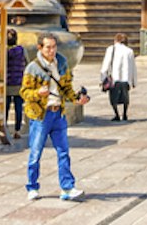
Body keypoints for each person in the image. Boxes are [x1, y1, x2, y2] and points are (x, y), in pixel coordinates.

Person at [20, 33, 88, 201]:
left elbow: (66, 88)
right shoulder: (32, 68)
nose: (52, 50)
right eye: (48, 47)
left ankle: (67, 187)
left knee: (63, 151)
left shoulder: (62, 62)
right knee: (35, 152)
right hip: (41, 115)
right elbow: (24, 92)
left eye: (54, 46)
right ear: (40, 48)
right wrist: (38, 93)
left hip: (58, 113)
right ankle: (32, 186)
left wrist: (77, 99)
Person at [100, 33, 137, 122]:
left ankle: (116, 114)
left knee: (113, 98)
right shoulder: (129, 51)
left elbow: (106, 64)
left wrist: (103, 77)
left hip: (114, 78)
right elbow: (133, 67)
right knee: (125, 97)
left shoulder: (111, 49)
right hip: (126, 78)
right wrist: (134, 81)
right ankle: (124, 113)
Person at [5, 29, 27, 139]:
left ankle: (4, 128)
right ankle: (17, 130)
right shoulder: (22, 50)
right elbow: (26, 62)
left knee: (6, 107)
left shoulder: (4, 52)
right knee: (18, 107)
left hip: (7, 82)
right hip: (19, 82)